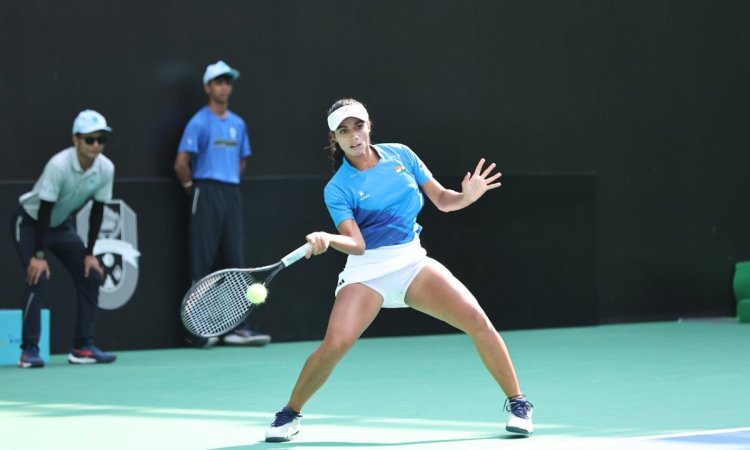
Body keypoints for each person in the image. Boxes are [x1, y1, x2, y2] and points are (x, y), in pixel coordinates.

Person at [265, 99, 534, 442]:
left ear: (369, 126)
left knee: (477, 320)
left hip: (410, 262)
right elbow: (357, 244)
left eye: (358, 126)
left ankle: (519, 403)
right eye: (344, 131)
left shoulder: (401, 155)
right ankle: (289, 414)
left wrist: (467, 197)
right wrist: (328, 239)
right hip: (367, 272)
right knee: (334, 345)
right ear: (335, 138)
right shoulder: (338, 188)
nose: (354, 136)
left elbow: (443, 200)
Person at [174, 60, 271, 348]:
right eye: (218, 82)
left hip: (231, 194)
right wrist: (193, 189)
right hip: (205, 192)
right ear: (208, 87)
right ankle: (199, 330)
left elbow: (241, 161)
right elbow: (181, 163)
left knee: (235, 262)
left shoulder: (238, 124)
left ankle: (236, 328)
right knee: (201, 261)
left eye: (227, 82)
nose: (224, 87)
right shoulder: (198, 122)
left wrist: (228, 179)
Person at [11, 109, 117, 368]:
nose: (96, 145)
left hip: (60, 225)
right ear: (75, 140)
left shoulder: (106, 168)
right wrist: (39, 256)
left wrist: (90, 253)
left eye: (101, 139)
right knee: (37, 275)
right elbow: (44, 210)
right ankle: (29, 350)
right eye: (89, 139)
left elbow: (98, 210)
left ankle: (83, 347)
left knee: (91, 274)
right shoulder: (58, 165)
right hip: (31, 222)